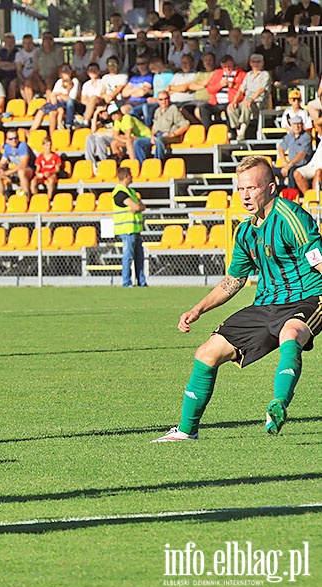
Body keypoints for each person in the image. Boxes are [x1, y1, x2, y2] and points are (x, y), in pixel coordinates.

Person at [154, 155, 322, 442]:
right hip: (266, 304)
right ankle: (186, 431)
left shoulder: (292, 218)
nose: (245, 195)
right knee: (207, 353)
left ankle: (278, 404)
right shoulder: (245, 231)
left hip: (307, 298)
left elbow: (318, 260)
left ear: (270, 188)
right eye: (241, 189)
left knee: (291, 333)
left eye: (252, 188)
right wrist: (198, 309)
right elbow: (234, 281)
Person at [112, 167, 146, 288]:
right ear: (126, 176)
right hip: (126, 230)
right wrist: (137, 206)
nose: (132, 177)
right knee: (128, 257)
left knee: (139, 258)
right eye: (131, 175)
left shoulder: (130, 192)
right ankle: (127, 282)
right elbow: (137, 206)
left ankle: (142, 282)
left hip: (135, 229)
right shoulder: (120, 193)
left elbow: (141, 206)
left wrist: (137, 206)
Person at [133, 91, 188, 163]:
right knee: (137, 142)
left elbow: (185, 124)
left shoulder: (173, 109)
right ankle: (142, 165)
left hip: (170, 135)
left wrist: (172, 134)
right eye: (161, 99)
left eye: (166, 99)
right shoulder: (157, 111)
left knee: (159, 140)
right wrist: (152, 136)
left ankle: (157, 163)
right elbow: (154, 127)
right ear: (158, 101)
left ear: (169, 99)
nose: (164, 101)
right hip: (158, 134)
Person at [227, 54, 271, 142]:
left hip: (259, 102)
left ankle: (242, 131)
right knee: (231, 108)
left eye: (258, 62)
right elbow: (241, 90)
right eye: (253, 62)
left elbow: (261, 90)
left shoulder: (265, 74)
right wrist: (234, 101)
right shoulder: (248, 75)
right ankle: (238, 130)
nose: (256, 64)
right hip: (246, 101)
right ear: (250, 63)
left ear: (262, 63)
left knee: (246, 105)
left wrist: (251, 99)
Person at [0, 129, 33, 197]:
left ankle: (27, 196)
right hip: (15, 171)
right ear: (7, 140)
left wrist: (9, 172)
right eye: (11, 139)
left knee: (21, 172)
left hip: (28, 169)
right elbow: (2, 162)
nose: (14, 141)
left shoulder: (23, 145)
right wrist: (1, 168)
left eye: (15, 138)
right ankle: (1, 198)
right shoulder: (7, 147)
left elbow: (23, 164)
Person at [276, 115, 312, 190]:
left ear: (302, 125)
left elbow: (302, 154)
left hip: (303, 165)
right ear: (291, 125)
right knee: (271, 171)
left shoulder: (306, 136)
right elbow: (281, 147)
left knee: (292, 172)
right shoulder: (290, 136)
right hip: (290, 164)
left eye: (299, 124)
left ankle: (291, 196)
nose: (297, 126)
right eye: (294, 124)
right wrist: (284, 161)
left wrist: (289, 165)